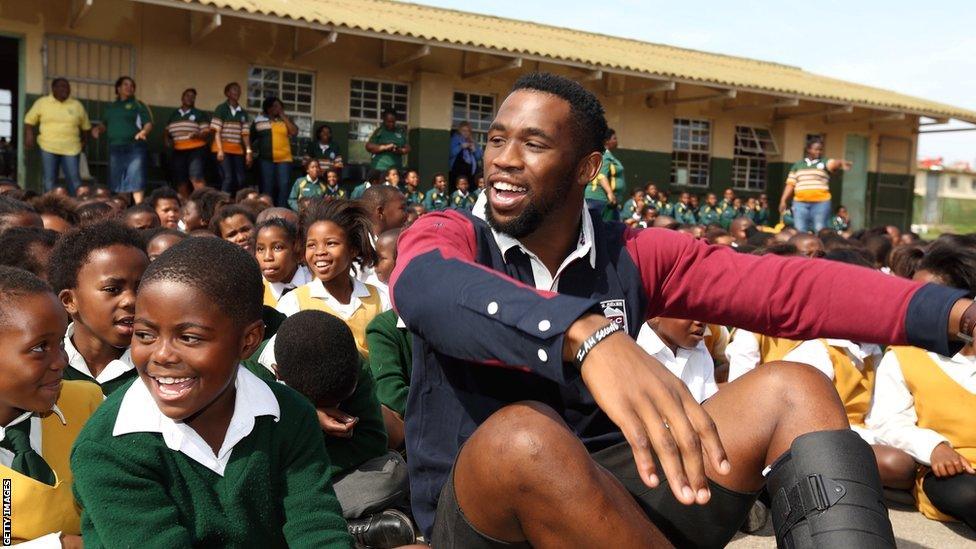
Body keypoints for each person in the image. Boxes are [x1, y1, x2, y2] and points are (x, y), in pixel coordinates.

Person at [388, 73, 976, 547]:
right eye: (496, 139)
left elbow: (786, 289)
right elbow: (426, 287)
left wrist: (957, 314)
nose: (503, 159)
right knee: (525, 438)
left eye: (533, 144)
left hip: (618, 493)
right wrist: (579, 332)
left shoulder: (633, 253)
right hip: (480, 517)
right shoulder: (448, 234)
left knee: (794, 388)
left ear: (588, 168)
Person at [70, 237, 352, 547]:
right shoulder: (107, 447)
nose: (161, 355)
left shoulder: (289, 414)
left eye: (189, 338)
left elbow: (317, 529)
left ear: (248, 341)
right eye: (145, 334)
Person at [272, 311, 415, 546]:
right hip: (288, 489)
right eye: (326, 405)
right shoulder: (251, 378)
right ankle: (350, 529)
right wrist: (309, 418)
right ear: (279, 375)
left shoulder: (349, 365)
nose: (338, 408)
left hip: (333, 479)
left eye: (341, 402)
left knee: (393, 470)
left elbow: (372, 441)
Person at [868, 238, 976, 529]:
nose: (918, 307)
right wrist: (934, 447)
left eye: (929, 299)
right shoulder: (904, 357)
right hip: (949, 470)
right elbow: (886, 423)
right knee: (969, 495)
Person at [0, 266, 103, 546]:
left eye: (60, 343)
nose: (61, 361)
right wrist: (62, 545)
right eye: (39, 347)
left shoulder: (89, 405)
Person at [275, 200, 389, 357]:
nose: (320, 252)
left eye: (331, 243)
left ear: (353, 249)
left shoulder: (381, 299)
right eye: (311, 245)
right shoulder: (293, 304)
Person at [49, 221, 147, 397]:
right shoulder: (46, 368)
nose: (131, 300)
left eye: (140, 288)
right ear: (69, 300)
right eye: (112, 289)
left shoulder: (157, 369)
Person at [23, 78, 93, 193]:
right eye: (61, 86)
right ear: (53, 88)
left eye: (67, 87)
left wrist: (83, 143)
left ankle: (75, 208)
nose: (65, 89)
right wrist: (29, 136)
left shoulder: (77, 105)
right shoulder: (42, 103)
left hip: (71, 149)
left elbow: (86, 127)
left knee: (75, 181)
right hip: (48, 147)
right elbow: (29, 121)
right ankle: (50, 207)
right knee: (49, 180)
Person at [92, 77, 153, 204]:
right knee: (118, 180)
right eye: (125, 84)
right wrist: (98, 129)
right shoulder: (111, 107)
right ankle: (122, 209)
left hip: (135, 147)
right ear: (118, 88)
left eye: (131, 85)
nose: (129, 87)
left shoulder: (138, 104)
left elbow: (148, 123)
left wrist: (144, 132)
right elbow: (105, 124)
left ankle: (138, 208)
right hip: (115, 147)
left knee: (136, 179)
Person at [636, 318, 717, 404]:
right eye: (688, 313)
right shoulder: (634, 351)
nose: (699, 321)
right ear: (655, 317)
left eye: (702, 312)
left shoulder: (700, 349)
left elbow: (710, 402)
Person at [780, 137, 851, 233]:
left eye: (820, 149)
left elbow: (833, 163)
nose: (819, 152)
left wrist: (841, 162)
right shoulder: (797, 165)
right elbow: (790, 184)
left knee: (819, 229)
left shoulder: (824, 162)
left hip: (821, 203)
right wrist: (783, 200)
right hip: (800, 203)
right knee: (800, 230)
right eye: (816, 149)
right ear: (809, 149)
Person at [253, 217, 311, 308]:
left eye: (277, 248)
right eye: (260, 249)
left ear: (296, 249)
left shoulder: (317, 283)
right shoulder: (255, 293)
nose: (267, 257)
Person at [252, 96, 299, 207]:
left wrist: (283, 116)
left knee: (284, 185)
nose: (277, 108)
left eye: (279, 106)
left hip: (284, 159)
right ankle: (266, 210)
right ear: (268, 108)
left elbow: (294, 132)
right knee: (267, 186)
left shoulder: (285, 120)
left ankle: (281, 211)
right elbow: (251, 137)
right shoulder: (259, 120)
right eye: (274, 106)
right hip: (266, 159)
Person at [163, 88, 210, 195]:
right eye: (187, 95)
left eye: (193, 96)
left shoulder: (199, 113)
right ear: (182, 97)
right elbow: (166, 130)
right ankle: (186, 206)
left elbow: (206, 131)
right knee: (181, 180)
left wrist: (197, 134)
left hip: (196, 150)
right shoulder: (174, 114)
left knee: (196, 177)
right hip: (178, 150)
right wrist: (166, 140)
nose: (190, 98)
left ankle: (204, 204)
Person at [210, 82, 252, 195]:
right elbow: (217, 131)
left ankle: (237, 204)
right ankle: (221, 204)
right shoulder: (221, 108)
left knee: (241, 179)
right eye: (234, 89)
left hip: (237, 149)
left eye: (238, 90)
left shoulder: (243, 112)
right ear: (227, 93)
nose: (237, 92)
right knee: (228, 178)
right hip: (222, 148)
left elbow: (245, 134)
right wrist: (220, 150)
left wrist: (248, 151)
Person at [584, 128, 620, 221]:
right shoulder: (604, 155)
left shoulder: (607, 155)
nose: (616, 141)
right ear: (607, 141)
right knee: (598, 228)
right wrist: (610, 193)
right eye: (614, 138)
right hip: (598, 198)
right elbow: (601, 175)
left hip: (602, 200)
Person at [449, 121, 484, 187]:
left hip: (471, 172)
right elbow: (450, 153)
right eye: (463, 130)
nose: (466, 133)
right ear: (459, 131)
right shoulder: (455, 139)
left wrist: (474, 150)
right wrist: (461, 147)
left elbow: (479, 157)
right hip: (457, 171)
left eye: (468, 131)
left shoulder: (472, 141)